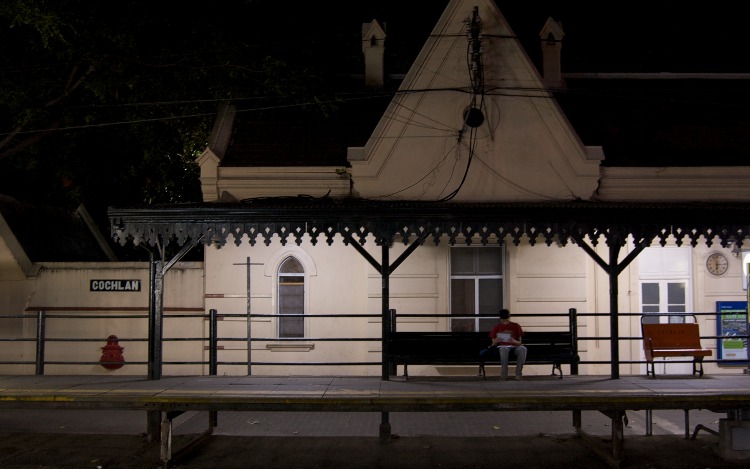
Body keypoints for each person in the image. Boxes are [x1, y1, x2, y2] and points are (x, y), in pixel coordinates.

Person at [479, 308, 527, 380]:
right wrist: (497, 340)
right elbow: (493, 343)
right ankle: (504, 375)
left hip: (514, 346)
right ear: (500, 319)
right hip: (502, 346)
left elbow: (520, 342)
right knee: (504, 348)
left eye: (506, 320)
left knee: (523, 349)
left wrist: (513, 341)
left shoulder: (516, 326)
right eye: (503, 320)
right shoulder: (497, 327)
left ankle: (518, 374)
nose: (504, 322)